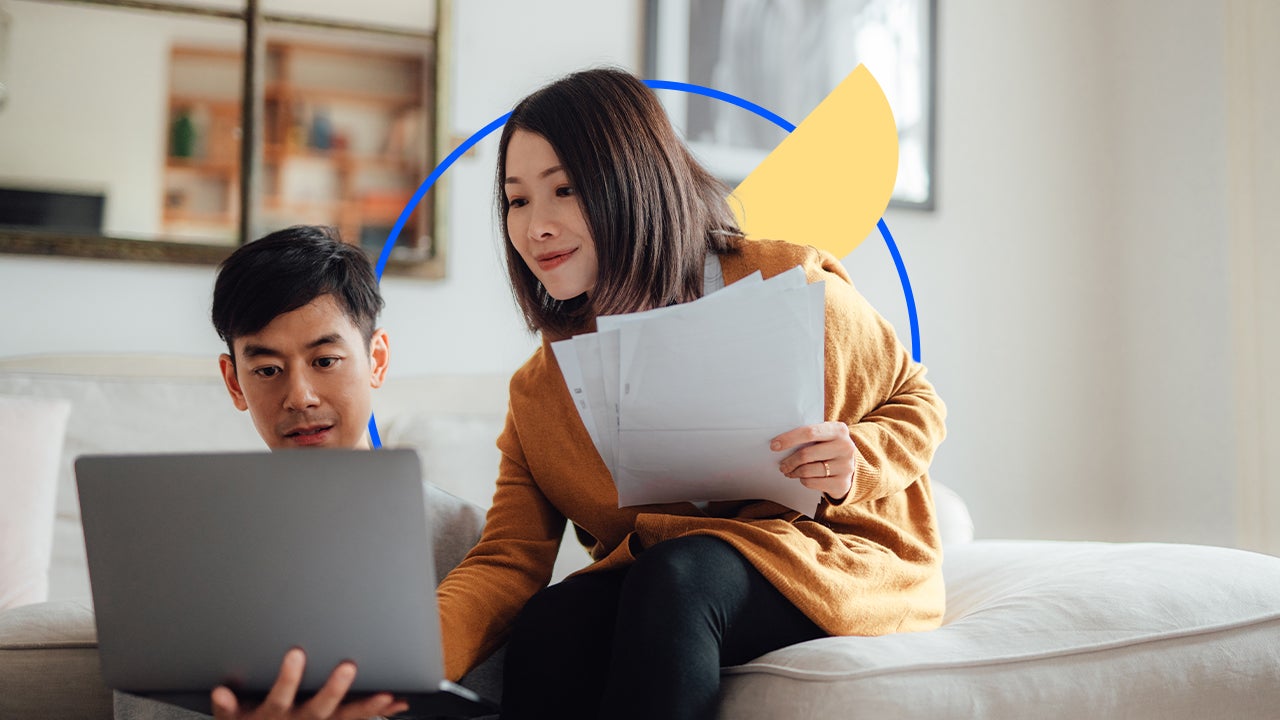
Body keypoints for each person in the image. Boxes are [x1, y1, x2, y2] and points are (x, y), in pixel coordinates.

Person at [434, 67, 947, 720]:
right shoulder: (541, 390)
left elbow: (918, 402)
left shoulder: (785, 282)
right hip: (675, 573)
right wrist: (404, 658)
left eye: (564, 190)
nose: (536, 226)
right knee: (552, 622)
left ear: (632, 182)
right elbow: (508, 559)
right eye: (516, 200)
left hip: (830, 558)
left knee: (678, 576)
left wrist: (857, 460)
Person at [116, 226, 407, 720]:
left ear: (375, 360)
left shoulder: (473, 543)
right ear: (234, 383)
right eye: (268, 370)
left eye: (325, 360)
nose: (300, 397)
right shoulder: (175, 551)